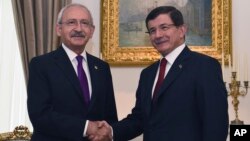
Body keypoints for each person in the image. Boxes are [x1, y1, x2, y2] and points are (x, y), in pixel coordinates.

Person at [96, 6, 228, 141]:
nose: (158, 35)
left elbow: (216, 122)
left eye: (164, 27)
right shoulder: (148, 74)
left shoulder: (204, 66)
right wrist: (111, 131)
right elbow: (140, 119)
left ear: (182, 30)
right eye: (152, 30)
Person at [27, 3, 117, 141]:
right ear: (58, 29)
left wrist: (107, 133)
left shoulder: (102, 68)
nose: (79, 29)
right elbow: (40, 115)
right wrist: (86, 127)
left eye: (85, 23)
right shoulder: (41, 65)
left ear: (92, 31)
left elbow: (110, 116)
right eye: (71, 22)